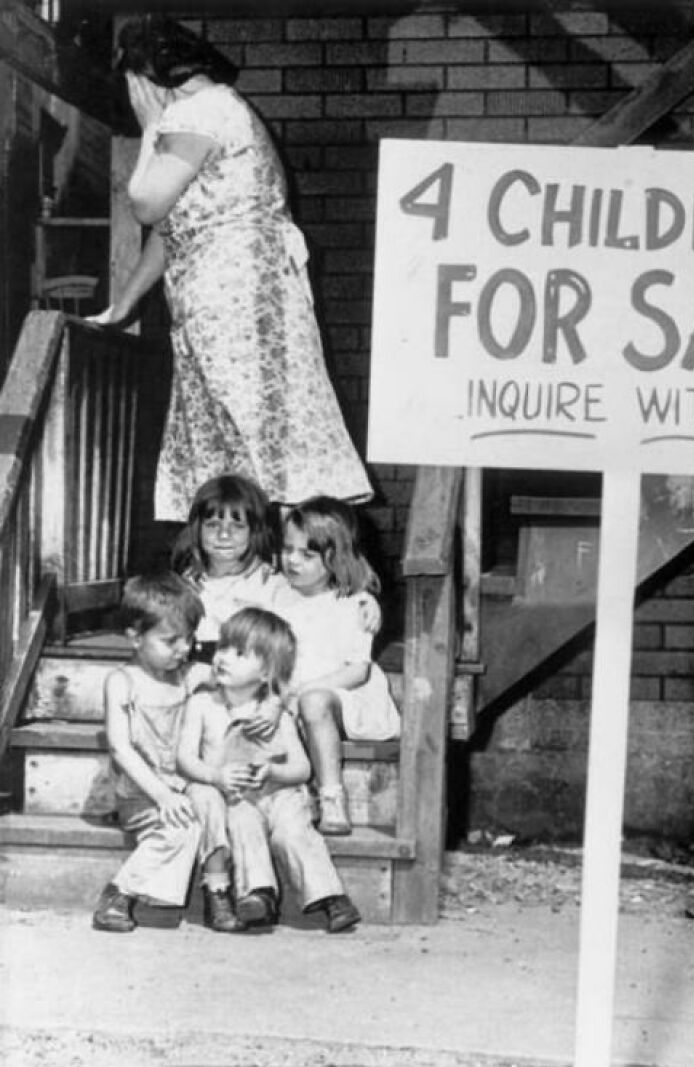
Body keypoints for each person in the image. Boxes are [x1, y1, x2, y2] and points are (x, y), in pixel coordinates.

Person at [88, 15, 372, 521]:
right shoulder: (218, 108)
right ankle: (246, 559)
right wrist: (122, 307)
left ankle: (275, 557)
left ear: (144, 78)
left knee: (250, 432)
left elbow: (147, 205)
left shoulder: (199, 113)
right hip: (223, 300)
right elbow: (172, 231)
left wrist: (151, 125)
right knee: (242, 432)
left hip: (232, 302)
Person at [177, 607, 362, 933]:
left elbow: (303, 769)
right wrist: (216, 776)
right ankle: (258, 894)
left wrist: (273, 773)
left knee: (295, 833)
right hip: (236, 797)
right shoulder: (203, 705)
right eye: (222, 648)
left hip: (278, 794)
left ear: (266, 673)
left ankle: (331, 898)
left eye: (240, 653)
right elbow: (185, 760)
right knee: (243, 823)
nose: (223, 658)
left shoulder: (275, 714)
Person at [92, 572, 241, 934]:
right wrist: (161, 795)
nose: (183, 649)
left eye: (189, 639)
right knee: (181, 828)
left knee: (211, 801)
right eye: (170, 640)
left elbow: (243, 676)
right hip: (142, 792)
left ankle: (217, 890)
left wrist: (266, 705)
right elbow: (120, 747)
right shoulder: (122, 682)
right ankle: (120, 893)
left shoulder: (187, 676)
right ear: (134, 636)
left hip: (183, 784)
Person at [280, 496, 401, 836]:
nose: (291, 560)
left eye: (307, 554)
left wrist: (305, 689)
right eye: (287, 549)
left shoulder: (350, 605)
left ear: (335, 556)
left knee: (312, 702)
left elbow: (357, 671)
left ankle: (331, 795)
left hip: (343, 697)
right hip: (291, 695)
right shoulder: (279, 595)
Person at [172, 473, 379, 666]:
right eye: (213, 524)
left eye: (237, 526)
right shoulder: (186, 582)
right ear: (197, 528)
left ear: (255, 532)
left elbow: (320, 604)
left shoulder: (272, 582)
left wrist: (364, 600)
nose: (224, 534)